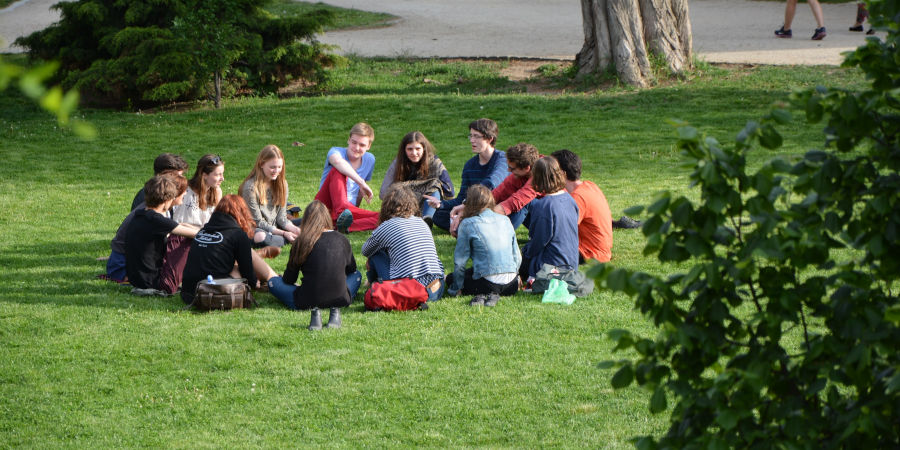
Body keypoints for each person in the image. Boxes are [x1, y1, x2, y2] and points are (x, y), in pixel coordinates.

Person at [267, 201, 362, 330]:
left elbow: (289, 279)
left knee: (273, 282)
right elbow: (352, 270)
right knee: (357, 275)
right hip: (340, 297)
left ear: (306, 220)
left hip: (306, 299)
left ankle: (317, 308)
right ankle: (335, 305)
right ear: (327, 218)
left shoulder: (301, 242)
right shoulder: (342, 239)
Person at [180, 195, 279, 305]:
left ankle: (265, 268)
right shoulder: (237, 234)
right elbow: (246, 270)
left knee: (228, 259)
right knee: (236, 267)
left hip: (188, 294)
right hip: (213, 292)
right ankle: (276, 281)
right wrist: (254, 283)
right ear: (242, 213)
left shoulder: (202, 231)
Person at [362, 187, 446, 302]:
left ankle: (375, 284)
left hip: (407, 290)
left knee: (376, 253)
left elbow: (365, 250)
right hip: (436, 289)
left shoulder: (387, 226)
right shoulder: (422, 222)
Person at [426, 118, 509, 233]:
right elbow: (461, 198)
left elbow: (491, 183)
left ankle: (470, 225)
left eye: (476, 136)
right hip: (472, 208)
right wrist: (441, 204)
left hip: (496, 207)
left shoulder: (502, 159)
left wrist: (466, 204)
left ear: (490, 139)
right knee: (439, 214)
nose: (472, 140)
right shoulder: (470, 165)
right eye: (471, 136)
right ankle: (472, 226)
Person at [124, 173, 200, 295]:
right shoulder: (157, 220)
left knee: (178, 236)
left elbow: (178, 226)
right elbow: (195, 235)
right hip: (156, 283)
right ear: (167, 200)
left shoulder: (141, 215)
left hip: (137, 279)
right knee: (185, 239)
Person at [446, 185, 522, 307]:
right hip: (511, 284)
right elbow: (517, 256)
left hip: (488, 283)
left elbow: (460, 262)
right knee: (469, 273)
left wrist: (456, 288)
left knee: (450, 278)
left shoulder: (467, 224)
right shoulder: (505, 220)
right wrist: (516, 277)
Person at [161, 154, 226, 294]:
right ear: (204, 175)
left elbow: (214, 224)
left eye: (222, 174)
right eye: (218, 174)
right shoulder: (185, 191)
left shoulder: (217, 192)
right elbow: (171, 220)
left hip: (204, 238)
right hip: (180, 237)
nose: (222, 178)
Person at [519, 157, 580, 283]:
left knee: (518, 259)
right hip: (571, 263)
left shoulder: (543, 206)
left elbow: (539, 241)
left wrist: (524, 252)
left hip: (551, 266)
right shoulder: (570, 200)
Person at [314, 122, 380, 232]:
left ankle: (341, 225)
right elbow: (337, 161)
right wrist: (361, 182)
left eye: (362, 145)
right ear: (348, 140)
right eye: (354, 142)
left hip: (349, 210)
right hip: (324, 206)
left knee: (384, 218)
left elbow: (360, 192)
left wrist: (356, 210)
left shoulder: (370, 159)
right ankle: (341, 213)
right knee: (338, 169)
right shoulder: (336, 151)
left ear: (369, 146)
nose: (357, 147)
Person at [379, 131, 454, 226]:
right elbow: (383, 193)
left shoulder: (434, 163)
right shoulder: (398, 163)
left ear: (424, 149)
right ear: (404, 150)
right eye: (410, 149)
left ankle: (427, 219)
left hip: (429, 202)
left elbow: (450, 192)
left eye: (418, 149)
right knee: (397, 188)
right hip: (405, 202)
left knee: (434, 184)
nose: (414, 153)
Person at [551, 149, 613, 263]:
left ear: (562, 174)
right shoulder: (589, 185)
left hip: (590, 253)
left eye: (551, 170)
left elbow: (562, 232)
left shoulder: (577, 198)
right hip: (600, 250)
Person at [239, 144, 301, 248]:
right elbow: (258, 222)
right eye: (272, 167)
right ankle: (289, 239)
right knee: (261, 237)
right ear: (261, 164)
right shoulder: (250, 187)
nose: (276, 171)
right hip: (256, 229)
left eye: (279, 167)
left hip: (275, 226)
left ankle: (294, 236)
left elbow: (281, 218)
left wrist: (295, 230)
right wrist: (284, 233)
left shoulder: (282, 184)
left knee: (310, 221)